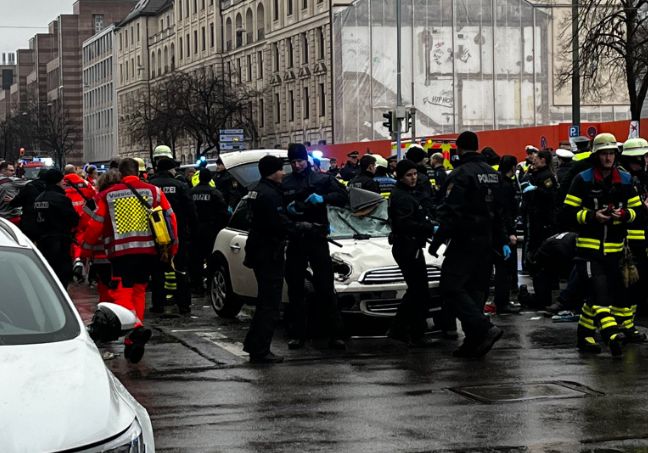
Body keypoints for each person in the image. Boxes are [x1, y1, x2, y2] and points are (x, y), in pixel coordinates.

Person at [83, 158, 178, 363]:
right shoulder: (154, 192)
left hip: (121, 253)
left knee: (121, 292)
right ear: (138, 171)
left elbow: (95, 226)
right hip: (149, 252)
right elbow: (171, 219)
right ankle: (133, 337)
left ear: (121, 172)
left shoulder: (108, 194)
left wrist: (86, 249)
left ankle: (135, 327)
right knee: (139, 290)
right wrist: (173, 248)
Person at [428, 131, 508, 358]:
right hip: (487, 241)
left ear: (459, 149)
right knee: (475, 291)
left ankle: (484, 328)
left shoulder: (461, 174)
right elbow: (500, 211)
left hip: (465, 240)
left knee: (450, 287)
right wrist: (502, 240)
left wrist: (438, 241)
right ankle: (474, 341)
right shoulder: (492, 174)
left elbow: (451, 211)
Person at [561, 133, 641, 356]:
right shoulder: (583, 180)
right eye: (604, 153)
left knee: (599, 296)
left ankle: (584, 336)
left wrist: (624, 214)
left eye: (611, 153)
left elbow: (639, 213)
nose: (608, 158)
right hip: (589, 250)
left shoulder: (625, 181)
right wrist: (591, 216)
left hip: (615, 251)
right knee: (600, 294)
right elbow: (567, 214)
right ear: (596, 155)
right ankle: (612, 334)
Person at [282, 143, 348, 350]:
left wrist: (323, 198)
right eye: (293, 162)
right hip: (296, 238)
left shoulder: (321, 179)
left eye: (300, 161)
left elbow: (343, 197)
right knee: (295, 288)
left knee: (326, 288)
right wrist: (288, 209)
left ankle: (335, 334)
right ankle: (298, 334)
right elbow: (278, 208)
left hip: (317, 237)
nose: (297, 165)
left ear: (306, 160)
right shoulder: (286, 182)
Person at [243, 156, 308, 363]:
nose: (284, 173)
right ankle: (261, 350)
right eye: (281, 170)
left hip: (257, 249)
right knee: (270, 304)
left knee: (264, 302)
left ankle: (254, 345)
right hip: (268, 251)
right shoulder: (270, 194)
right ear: (273, 171)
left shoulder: (255, 189)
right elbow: (278, 224)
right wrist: (303, 227)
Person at [387, 159, 437, 346]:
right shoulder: (401, 196)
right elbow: (405, 223)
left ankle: (409, 329)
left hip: (411, 245)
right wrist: (429, 227)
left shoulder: (407, 193)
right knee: (418, 290)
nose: (413, 178)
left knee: (418, 290)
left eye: (415, 174)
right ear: (400, 176)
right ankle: (404, 329)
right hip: (407, 246)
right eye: (409, 175)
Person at [149, 157, 198, 315]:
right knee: (180, 268)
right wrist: (192, 230)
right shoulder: (181, 185)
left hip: (156, 234)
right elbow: (191, 211)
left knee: (157, 270)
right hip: (178, 233)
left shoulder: (151, 186)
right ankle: (184, 304)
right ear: (170, 170)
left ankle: (158, 305)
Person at [33, 169, 80, 288]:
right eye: (62, 180)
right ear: (57, 182)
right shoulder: (61, 199)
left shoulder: (38, 198)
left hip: (43, 241)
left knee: (47, 273)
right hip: (60, 242)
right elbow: (74, 220)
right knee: (61, 276)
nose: (64, 182)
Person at [188, 168, 229, 294]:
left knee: (195, 259)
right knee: (210, 258)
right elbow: (223, 212)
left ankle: (197, 285)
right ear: (210, 178)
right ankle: (210, 284)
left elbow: (188, 212)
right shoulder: (215, 193)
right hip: (211, 230)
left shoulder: (191, 192)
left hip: (195, 230)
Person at [492, 155, 521, 314]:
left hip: (497, 229)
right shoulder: (507, 185)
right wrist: (509, 233)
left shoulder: (497, 181)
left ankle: (501, 301)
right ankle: (502, 303)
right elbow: (505, 212)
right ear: (513, 167)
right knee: (504, 269)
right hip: (504, 230)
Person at [522, 150, 558, 270]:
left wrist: (536, 189)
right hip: (535, 215)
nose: (534, 160)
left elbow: (551, 194)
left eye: (536, 158)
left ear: (543, 160)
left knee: (541, 244)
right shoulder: (536, 173)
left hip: (544, 218)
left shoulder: (546, 176)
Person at [63, 164, 97, 283]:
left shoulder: (61, 183)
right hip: (83, 214)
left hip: (67, 215)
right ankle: (79, 260)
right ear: (74, 171)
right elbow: (94, 194)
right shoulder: (83, 182)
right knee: (80, 237)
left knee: (69, 238)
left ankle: (75, 260)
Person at [9, 169, 48, 240]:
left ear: (39, 176)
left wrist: (12, 201)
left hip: (29, 222)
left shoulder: (30, 186)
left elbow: (17, 201)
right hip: (47, 224)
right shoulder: (53, 188)